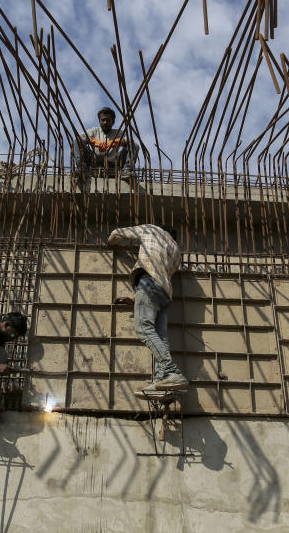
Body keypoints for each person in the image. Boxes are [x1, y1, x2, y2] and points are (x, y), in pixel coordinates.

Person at [107, 224, 188, 397]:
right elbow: (159, 279)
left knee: (143, 329)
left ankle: (171, 372)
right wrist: (137, 299)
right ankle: (161, 381)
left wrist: (110, 245)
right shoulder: (176, 251)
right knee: (161, 338)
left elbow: (117, 233)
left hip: (148, 283)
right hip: (164, 293)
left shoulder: (152, 229)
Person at [72, 107, 137, 190]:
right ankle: (81, 167)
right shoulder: (94, 130)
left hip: (113, 162)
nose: (105, 122)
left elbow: (130, 140)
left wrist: (115, 142)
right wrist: (93, 141)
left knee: (134, 145)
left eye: (108, 120)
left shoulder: (118, 132)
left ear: (113, 122)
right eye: (103, 120)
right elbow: (79, 138)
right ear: (99, 121)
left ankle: (127, 170)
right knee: (76, 141)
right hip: (94, 160)